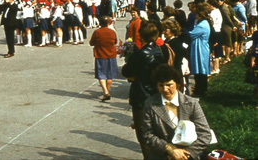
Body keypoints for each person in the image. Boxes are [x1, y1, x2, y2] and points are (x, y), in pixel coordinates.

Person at [142, 64, 212, 160]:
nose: (165, 89)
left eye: (169, 85)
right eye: (161, 85)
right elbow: (147, 134)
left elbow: (205, 134)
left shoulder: (192, 103)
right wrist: (170, 150)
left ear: (178, 85)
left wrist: (187, 154)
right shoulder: (150, 104)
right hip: (161, 156)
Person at [121, 22, 164, 158]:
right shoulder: (160, 51)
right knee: (156, 131)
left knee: (144, 133)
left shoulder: (142, 53)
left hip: (141, 94)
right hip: (156, 93)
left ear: (141, 36)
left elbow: (126, 70)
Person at [89, 16, 118, 101]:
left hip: (100, 55)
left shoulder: (97, 32)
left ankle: (105, 92)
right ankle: (107, 91)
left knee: (101, 75)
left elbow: (91, 43)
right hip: (111, 55)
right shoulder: (112, 32)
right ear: (108, 23)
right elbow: (115, 41)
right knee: (110, 75)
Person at [189, 3, 212, 97]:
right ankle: (201, 89)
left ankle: (200, 90)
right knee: (200, 69)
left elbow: (191, 34)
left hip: (200, 48)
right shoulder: (204, 23)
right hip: (201, 47)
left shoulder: (202, 25)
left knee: (200, 69)